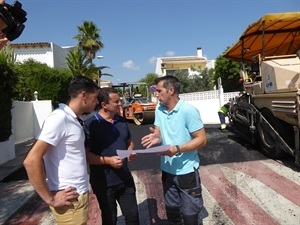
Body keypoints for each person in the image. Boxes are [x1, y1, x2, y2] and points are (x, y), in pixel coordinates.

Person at [23, 76, 100, 225]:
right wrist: (50, 199)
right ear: (83, 95)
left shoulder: (73, 119)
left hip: (77, 195)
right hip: (69, 199)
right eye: (95, 97)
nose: (96, 102)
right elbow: (31, 160)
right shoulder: (59, 118)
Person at [141, 75, 207, 225]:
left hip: (187, 171)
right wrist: (156, 137)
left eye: (159, 90)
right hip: (167, 170)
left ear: (171, 90)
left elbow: (202, 139)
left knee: (190, 216)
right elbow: (159, 131)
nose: (155, 94)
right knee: (172, 212)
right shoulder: (159, 108)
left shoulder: (188, 111)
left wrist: (177, 148)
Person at [84, 87, 140, 225]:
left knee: (133, 216)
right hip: (104, 184)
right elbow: (86, 155)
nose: (120, 103)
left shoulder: (121, 121)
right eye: (116, 101)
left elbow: (129, 142)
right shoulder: (91, 124)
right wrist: (108, 161)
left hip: (125, 179)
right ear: (104, 105)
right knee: (110, 219)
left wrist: (130, 151)